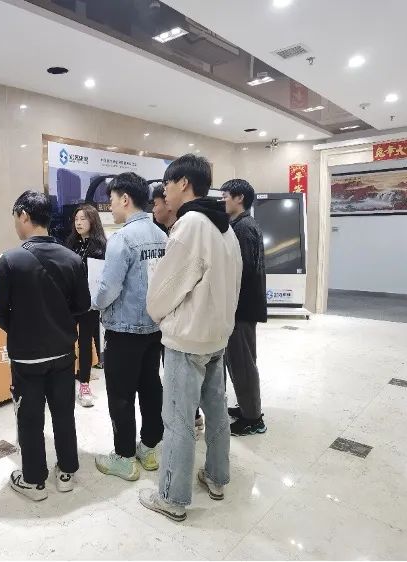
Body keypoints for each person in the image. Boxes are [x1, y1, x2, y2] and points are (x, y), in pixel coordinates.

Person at [140, 154, 242, 522]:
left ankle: (172, 497)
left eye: (167, 184)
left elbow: (164, 289)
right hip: (217, 335)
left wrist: (158, 313)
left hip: (187, 338)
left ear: (183, 183)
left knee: (179, 420)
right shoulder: (224, 227)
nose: (164, 192)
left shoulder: (190, 225)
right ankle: (217, 476)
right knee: (216, 412)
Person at [0, 191, 90, 501]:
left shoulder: (9, 260)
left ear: (24, 215)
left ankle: (34, 480)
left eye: (15, 217)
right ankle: (66, 472)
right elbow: (82, 306)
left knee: (30, 418)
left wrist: (21, 331)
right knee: (64, 413)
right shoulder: (73, 259)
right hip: (63, 353)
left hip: (26, 358)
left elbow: (0, 312)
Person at [92, 172, 168, 481]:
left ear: (125, 199)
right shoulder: (161, 236)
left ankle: (124, 457)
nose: (110, 206)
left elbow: (108, 288)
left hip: (123, 330)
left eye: (111, 200)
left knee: (120, 395)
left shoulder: (122, 239)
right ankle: (148, 449)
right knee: (150, 387)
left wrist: (94, 302)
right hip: (154, 327)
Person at [152, 185, 205, 440]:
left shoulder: (184, 232)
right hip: (175, 321)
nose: (154, 209)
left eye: (157, 203)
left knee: (183, 385)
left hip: (181, 324)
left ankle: (189, 421)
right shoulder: (171, 231)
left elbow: (173, 286)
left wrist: (156, 311)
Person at [220, 179, 268, 436]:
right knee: (240, 360)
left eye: (226, 195)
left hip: (241, 308)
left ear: (239, 198)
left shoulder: (243, 228)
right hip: (243, 306)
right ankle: (247, 407)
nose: (223, 200)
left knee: (242, 363)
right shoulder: (242, 224)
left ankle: (253, 419)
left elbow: (243, 269)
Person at [65, 204, 106, 407]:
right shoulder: (70, 244)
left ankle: (84, 384)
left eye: (83, 219)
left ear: (92, 221)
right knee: (66, 340)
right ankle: (65, 381)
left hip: (90, 303)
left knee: (85, 342)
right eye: (76, 219)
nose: (79, 223)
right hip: (70, 302)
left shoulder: (101, 246)